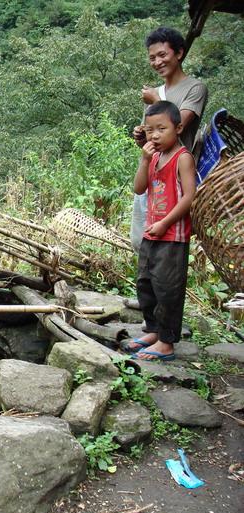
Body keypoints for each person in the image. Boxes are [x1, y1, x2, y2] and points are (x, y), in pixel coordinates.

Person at [124, 101, 196, 361]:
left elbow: (189, 196)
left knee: (167, 289)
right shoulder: (154, 156)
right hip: (151, 232)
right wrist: (144, 159)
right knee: (146, 283)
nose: (154, 135)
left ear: (177, 128)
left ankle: (166, 342)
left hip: (172, 236)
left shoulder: (183, 158)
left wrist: (166, 222)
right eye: (150, 130)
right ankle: (153, 330)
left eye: (161, 129)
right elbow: (139, 188)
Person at [130, 26, 208, 251]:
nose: (157, 62)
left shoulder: (195, 88)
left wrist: (155, 100)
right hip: (151, 172)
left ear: (179, 53)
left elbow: (179, 127)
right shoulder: (154, 92)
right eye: (152, 58)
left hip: (175, 176)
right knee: (141, 240)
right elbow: (155, 138)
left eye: (163, 55)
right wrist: (140, 135)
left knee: (168, 241)